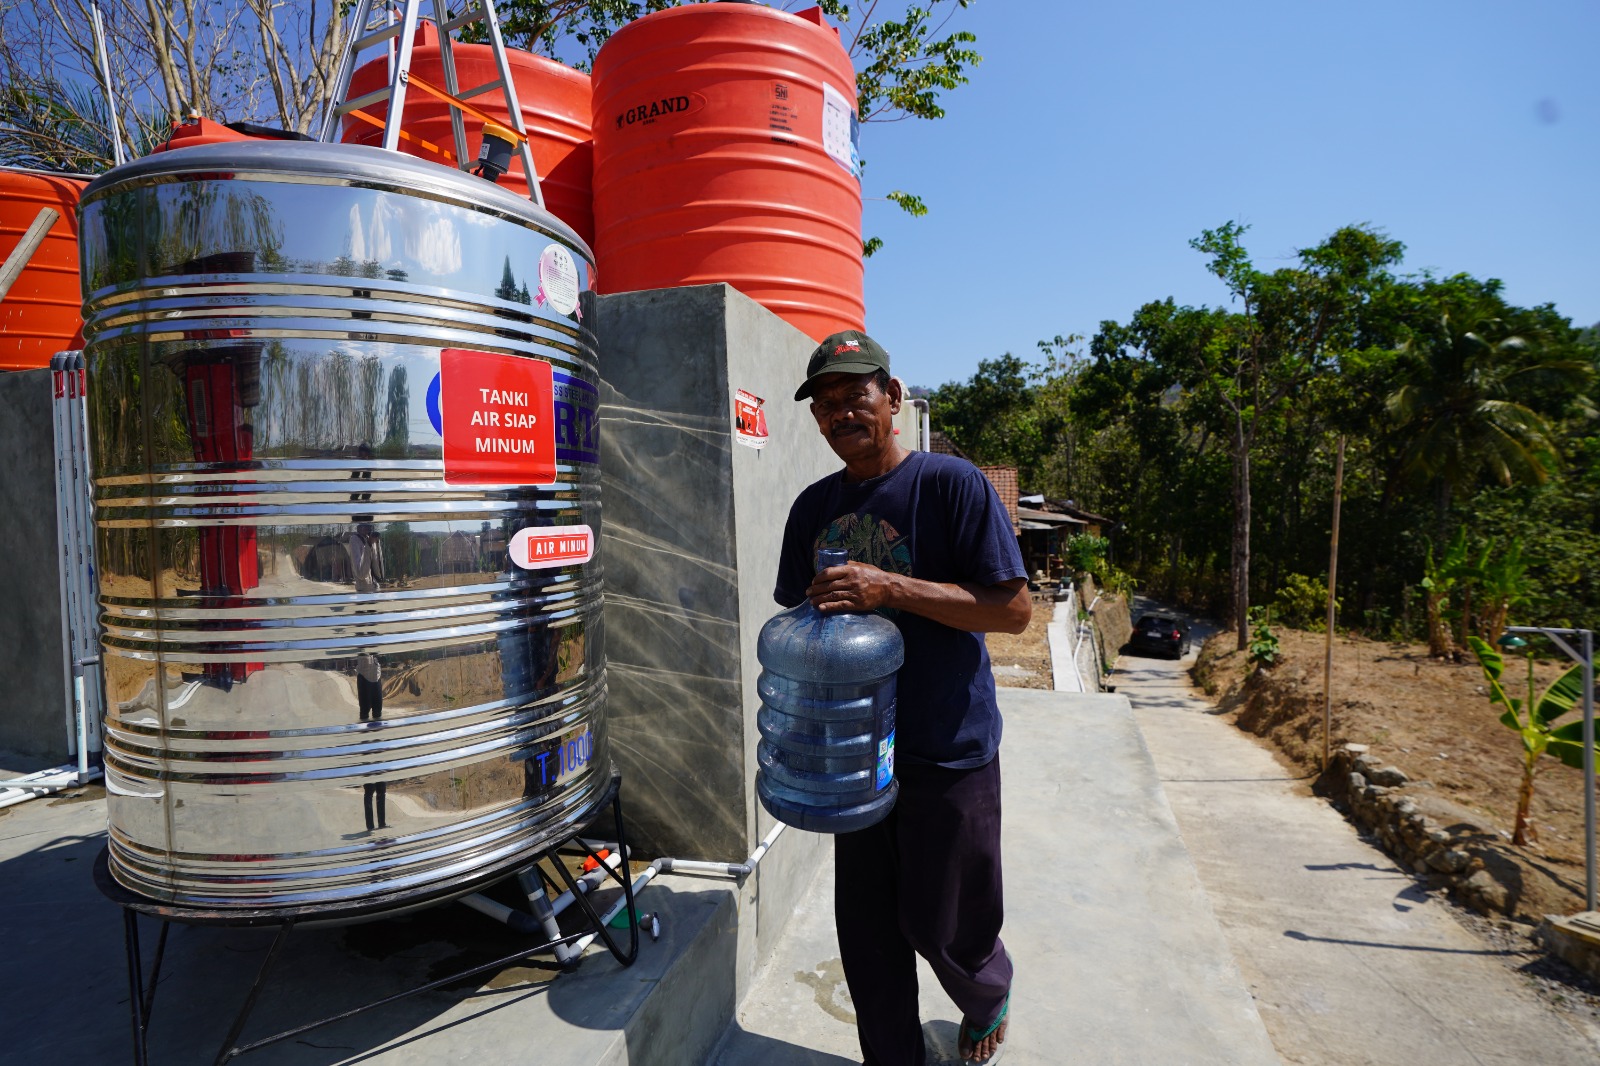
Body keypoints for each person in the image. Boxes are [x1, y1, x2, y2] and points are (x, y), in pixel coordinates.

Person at [773, 330, 1030, 1066]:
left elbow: (1011, 610)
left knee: (945, 923)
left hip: (947, 744)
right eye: (825, 406)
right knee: (868, 936)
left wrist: (893, 590)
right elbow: (796, 624)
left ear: (892, 397)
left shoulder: (950, 485)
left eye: (855, 396)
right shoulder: (811, 507)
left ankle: (987, 995)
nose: (840, 415)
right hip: (853, 757)